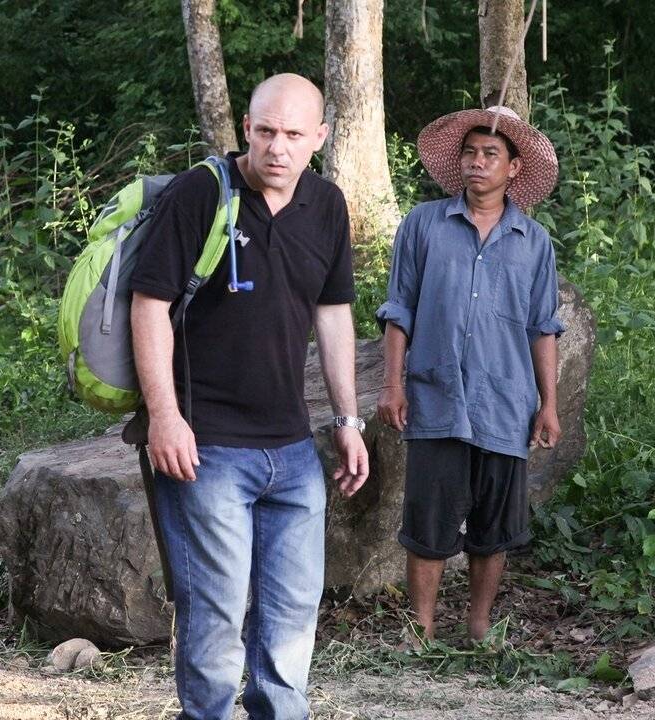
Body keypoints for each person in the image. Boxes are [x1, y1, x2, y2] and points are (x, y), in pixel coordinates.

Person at [129, 73, 369, 720]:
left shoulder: (327, 204)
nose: (277, 147)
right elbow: (148, 305)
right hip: (206, 448)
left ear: (320, 137)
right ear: (245, 128)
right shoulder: (201, 193)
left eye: (293, 134)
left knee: (291, 625)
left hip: (292, 450)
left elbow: (334, 313)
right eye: (265, 131)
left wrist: (347, 419)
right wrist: (164, 416)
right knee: (214, 624)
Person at [375, 105, 564, 646]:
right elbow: (399, 310)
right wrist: (393, 385)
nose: (477, 162)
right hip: (436, 396)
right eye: (470, 153)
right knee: (427, 520)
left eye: (490, 154)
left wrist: (548, 404)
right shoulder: (424, 224)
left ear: (513, 168)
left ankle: (479, 628)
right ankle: (420, 630)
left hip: (505, 400)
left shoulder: (534, 242)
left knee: (494, 527)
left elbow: (543, 328)